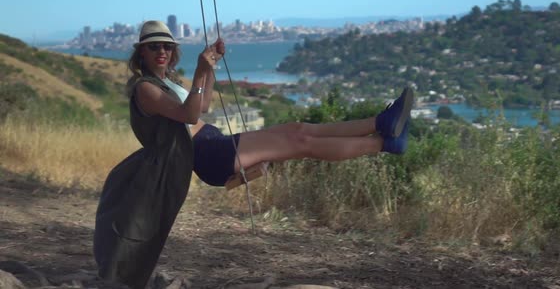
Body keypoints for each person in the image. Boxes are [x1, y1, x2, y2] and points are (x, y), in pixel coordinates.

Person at [94, 20, 413, 288]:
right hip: (209, 155)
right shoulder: (145, 88)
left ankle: (380, 123)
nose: (161, 52)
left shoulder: (165, 82)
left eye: (166, 46)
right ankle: (383, 142)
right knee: (300, 141)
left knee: (298, 129)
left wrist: (208, 70)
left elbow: (203, 106)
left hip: (215, 144)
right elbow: (191, 116)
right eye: (153, 47)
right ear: (141, 53)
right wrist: (200, 72)